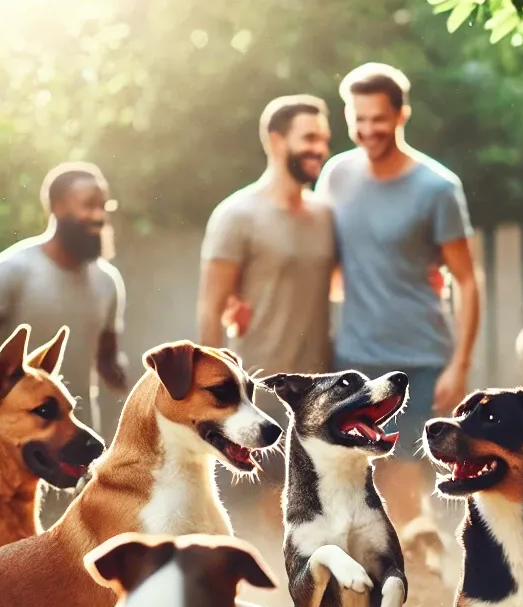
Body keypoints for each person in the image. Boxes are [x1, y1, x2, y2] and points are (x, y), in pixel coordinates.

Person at [316, 62, 480, 532]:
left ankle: (422, 574)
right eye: (358, 119)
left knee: (402, 472)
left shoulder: (437, 188)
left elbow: (468, 279)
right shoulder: (336, 175)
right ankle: (400, 566)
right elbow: (324, 261)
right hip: (352, 356)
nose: (367, 130)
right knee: (360, 476)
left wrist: (460, 364)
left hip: (419, 358)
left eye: (378, 119)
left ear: (401, 115)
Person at [198, 94, 337, 411]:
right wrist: (214, 395)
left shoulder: (327, 215)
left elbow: (342, 282)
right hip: (257, 390)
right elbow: (211, 311)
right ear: (276, 141)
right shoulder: (236, 214)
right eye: (309, 138)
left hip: (320, 395)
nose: (321, 149)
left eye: (324, 140)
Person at [0, 161, 128, 432]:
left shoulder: (108, 282)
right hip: (9, 437)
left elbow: (108, 361)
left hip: (75, 438)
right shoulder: (12, 270)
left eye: (104, 206)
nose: (99, 215)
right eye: (89, 205)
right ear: (58, 207)